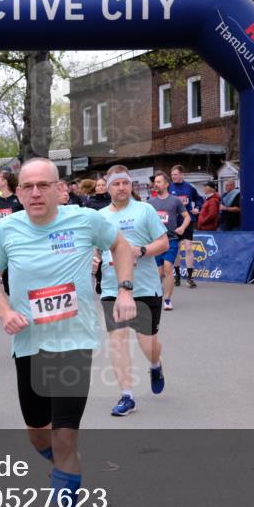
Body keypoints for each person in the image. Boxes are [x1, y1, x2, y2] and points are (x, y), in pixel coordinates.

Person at [0, 157, 137, 507]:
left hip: (73, 344)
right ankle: (67, 476)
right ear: (17, 192)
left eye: (43, 185)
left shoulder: (85, 221)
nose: (35, 193)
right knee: (39, 435)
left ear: (58, 189)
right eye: (27, 186)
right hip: (29, 343)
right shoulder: (6, 229)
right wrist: (4, 312)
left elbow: (121, 246)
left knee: (65, 437)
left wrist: (124, 290)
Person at [96, 165, 169, 417]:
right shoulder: (100, 217)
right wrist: (95, 259)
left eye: (125, 183)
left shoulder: (145, 210)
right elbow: (95, 248)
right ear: (108, 188)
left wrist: (141, 251)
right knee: (117, 341)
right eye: (116, 184)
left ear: (131, 186)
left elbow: (164, 243)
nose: (121, 188)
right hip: (112, 287)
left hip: (145, 286)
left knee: (147, 344)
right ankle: (127, 396)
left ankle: (155, 364)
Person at [148, 172, 189, 311]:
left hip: (171, 239)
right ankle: (155, 296)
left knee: (167, 268)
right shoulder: (150, 202)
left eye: (159, 182)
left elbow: (187, 217)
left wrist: (182, 228)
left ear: (166, 184)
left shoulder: (175, 200)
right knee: (159, 273)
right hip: (156, 241)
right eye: (155, 182)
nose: (156, 184)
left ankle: (167, 299)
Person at [168, 165, 201, 288]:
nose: (173, 177)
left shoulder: (189, 187)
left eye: (175, 174)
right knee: (176, 250)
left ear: (182, 174)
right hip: (173, 222)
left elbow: (199, 199)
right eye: (172, 175)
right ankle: (177, 275)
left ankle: (190, 277)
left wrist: (197, 208)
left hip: (187, 221)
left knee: (188, 248)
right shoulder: (169, 187)